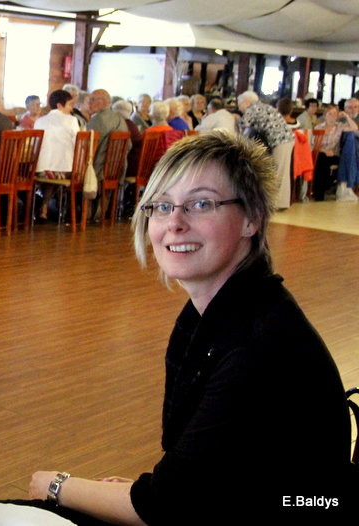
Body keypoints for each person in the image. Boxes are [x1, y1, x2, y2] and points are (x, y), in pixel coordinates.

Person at [23, 132, 352, 525]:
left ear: (252, 218)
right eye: (162, 206)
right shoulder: (215, 314)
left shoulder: (258, 342)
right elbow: (198, 480)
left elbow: (166, 504)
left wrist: (56, 484)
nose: (174, 223)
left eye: (200, 204)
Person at [237, 90, 295, 209]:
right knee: (282, 171)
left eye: (240, 104)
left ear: (246, 102)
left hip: (280, 140)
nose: (239, 108)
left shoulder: (252, 109)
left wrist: (235, 117)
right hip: (286, 138)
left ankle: (277, 204)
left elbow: (243, 126)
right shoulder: (264, 107)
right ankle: (281, 202)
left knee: (278, 171)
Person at [33, 89, 79, 222]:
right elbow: (78, 144)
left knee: (51, 171)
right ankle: (67, 210)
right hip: (64, 170)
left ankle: (44, 208)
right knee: (61, 168)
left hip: (41, 170)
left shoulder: (39, 121)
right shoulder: (71, 120)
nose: (71, 109)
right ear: (60, 105)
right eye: (70, 105)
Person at [312, 104, 359, 202]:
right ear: (325, 116)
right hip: (321, 152)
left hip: (334, 154)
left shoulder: (340, 126)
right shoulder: (319, 127)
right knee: (322, 159)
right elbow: (313, 145)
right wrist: (325, 151)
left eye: (335, 114)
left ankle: (324, 188)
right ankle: (319, 193)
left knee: (327, 161)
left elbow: (355, 128)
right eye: (330, 114)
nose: (333, 116)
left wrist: (346, 116)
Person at [87, 89, 128, 184]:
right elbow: (129, 145)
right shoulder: (120, 119)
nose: (89, 103)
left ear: (104, 102)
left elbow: (88, 147)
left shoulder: (97, 120)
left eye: (92, 100)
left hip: (98, 169)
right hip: (118, 169)